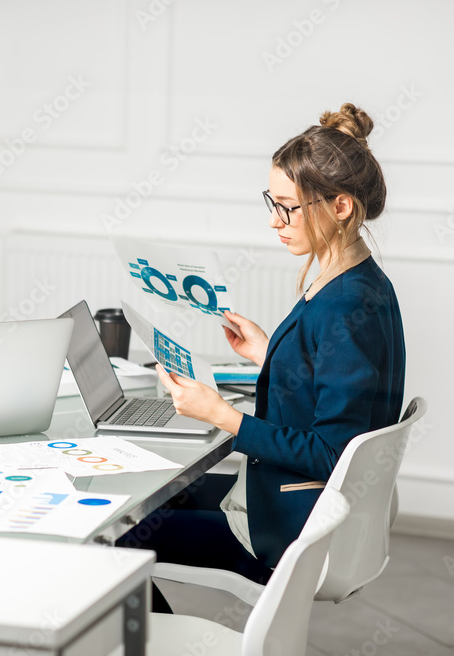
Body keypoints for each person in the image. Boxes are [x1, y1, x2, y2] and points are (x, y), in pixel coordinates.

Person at [117, 103, 406, 593]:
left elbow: (333, 452)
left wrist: (221, 416)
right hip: (301, 506)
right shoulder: (359, 284)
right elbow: (332, 384)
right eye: (272, 204)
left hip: (293, 529)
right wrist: (269, 352)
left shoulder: (344, 305)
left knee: (118, 542)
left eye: (288, 207)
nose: (276, 221)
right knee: (148, 508)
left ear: (340, 206)